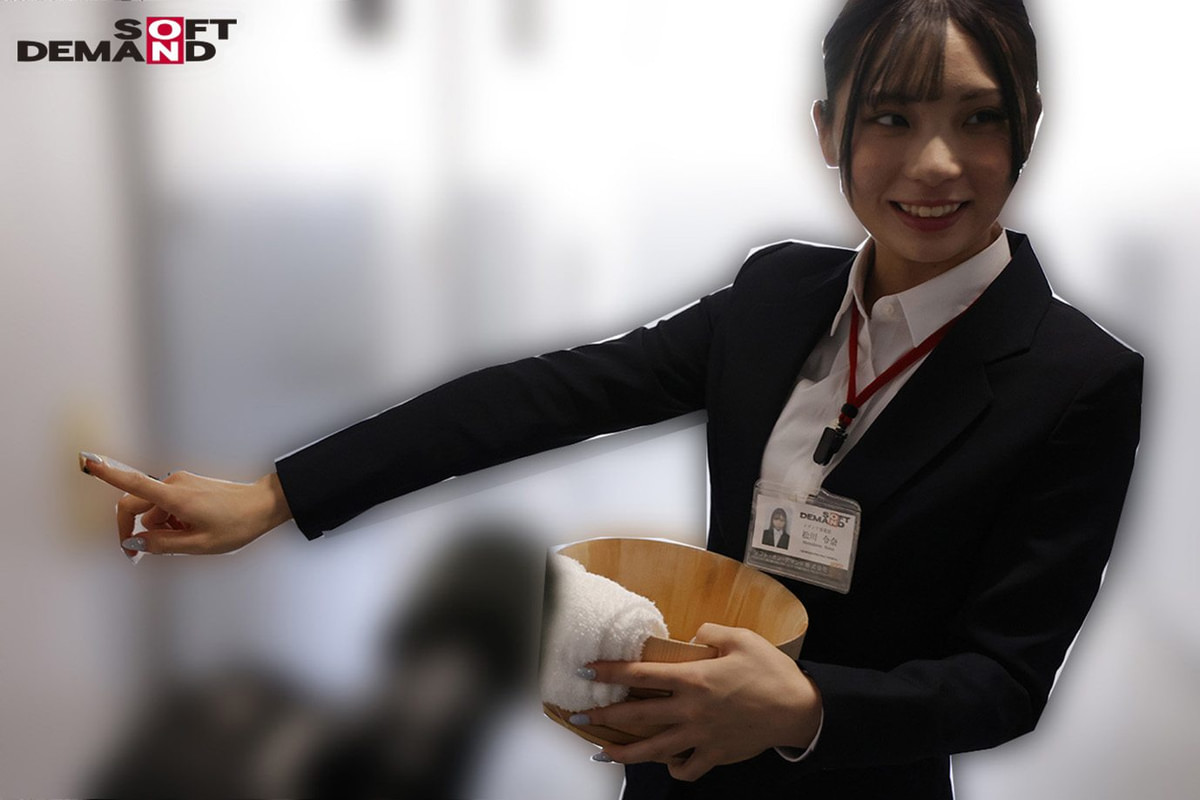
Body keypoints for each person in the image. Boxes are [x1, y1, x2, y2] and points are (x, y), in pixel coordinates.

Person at [79, 1, 1144, 797]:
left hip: (859, 783)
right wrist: (277, 494)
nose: (936, 162)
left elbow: (1005, 678)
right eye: (892, 116)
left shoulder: (1076, 378)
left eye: (979, 117)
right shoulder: (778, 295)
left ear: (1029, 126)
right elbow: (546, 394)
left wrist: (808, 708)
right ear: (829, 129)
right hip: (675, 770)